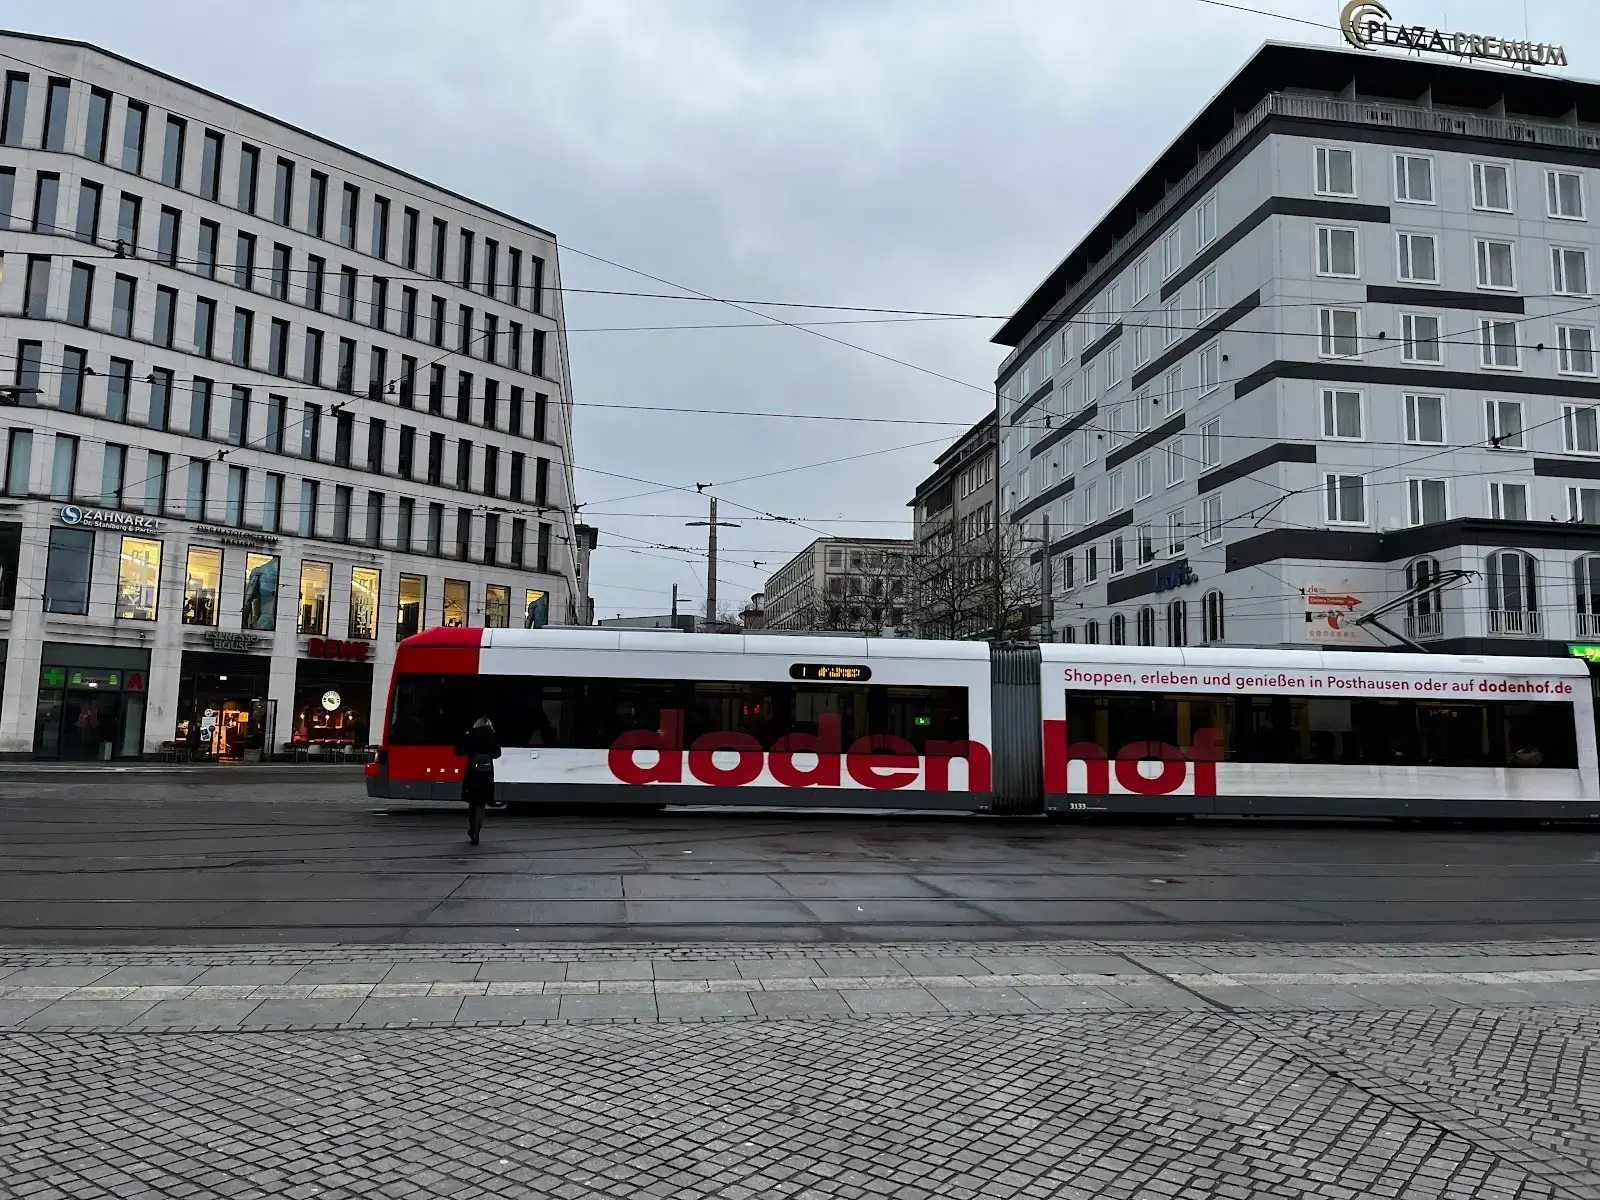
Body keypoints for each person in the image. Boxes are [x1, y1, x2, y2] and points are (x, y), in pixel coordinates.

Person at [453, 717, 502, 845]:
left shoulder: (470, 734)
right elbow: (497, 754)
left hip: (472, 773)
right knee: (481, 803)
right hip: (486, 774)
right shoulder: (493, 735)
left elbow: (458, 751)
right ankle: (477, 830)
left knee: (473, 802)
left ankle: (472, 829)